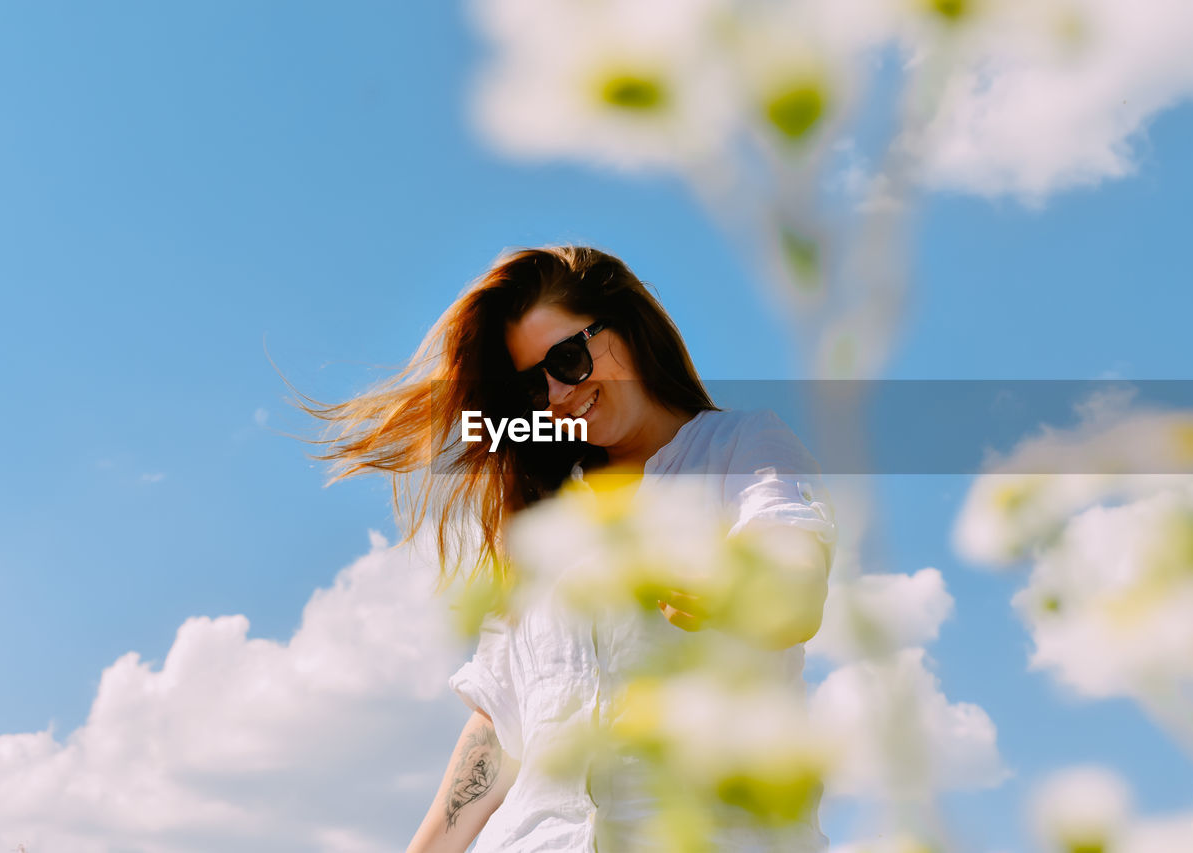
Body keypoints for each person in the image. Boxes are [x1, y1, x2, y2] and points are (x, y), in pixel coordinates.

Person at [298, 245, 836, 852]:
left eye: (569, 359)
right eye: (532, 384)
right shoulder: (547, 526)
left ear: (627, 325)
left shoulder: (742, 446)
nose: (555, 393)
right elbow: (500, 724)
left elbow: (794, 565)